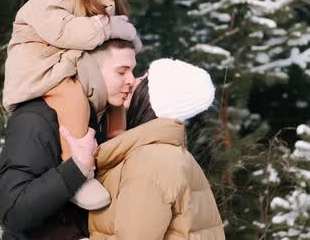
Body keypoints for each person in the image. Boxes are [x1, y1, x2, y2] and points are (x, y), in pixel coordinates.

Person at [2, 0, 141, 210]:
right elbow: (61, 30)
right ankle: (78, 166)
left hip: (67, 59)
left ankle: (117, 144)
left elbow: (112, 37)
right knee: (74, 97)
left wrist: (127, 36)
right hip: (40, 65)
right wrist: (106, 26)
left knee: (114, 91)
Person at [0, 40, 137, 239]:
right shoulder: (36, 118)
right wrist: (76, 168)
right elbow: (14, 211)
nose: (131, 80)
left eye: (133, 71)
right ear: (93, 72)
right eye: (121, 72)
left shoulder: (102, 118)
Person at [89, 59, 226, 240]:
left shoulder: (150, 161)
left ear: (155, 96)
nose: (133, 81)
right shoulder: (166, 154)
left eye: (144, 77)